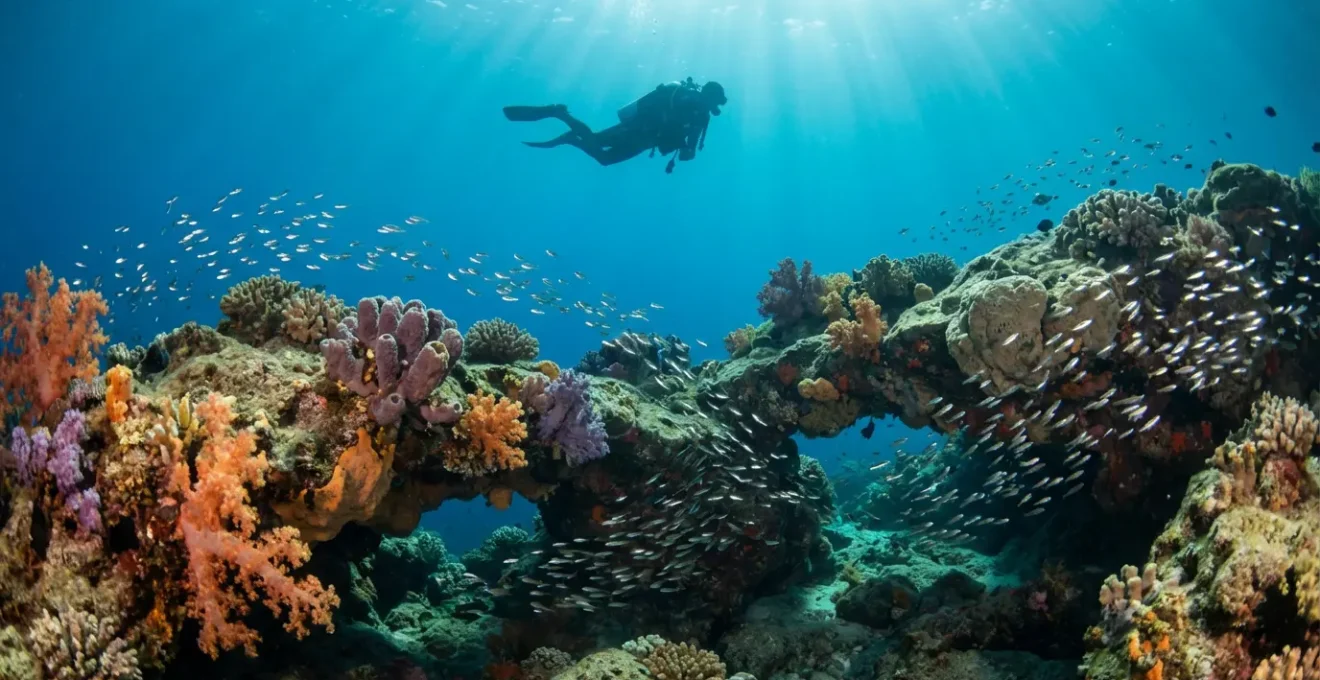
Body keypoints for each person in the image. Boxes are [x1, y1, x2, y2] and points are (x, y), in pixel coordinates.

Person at [503, 78, 727, 173]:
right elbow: (682, 140)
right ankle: (560, 114)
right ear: (708, 96)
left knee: (604, 158)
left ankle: (569, 134)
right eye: (715, 101)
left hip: (645, 138)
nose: (714, 107)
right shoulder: (693, 105)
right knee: (599, 145)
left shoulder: (700, 114)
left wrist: (687, 149)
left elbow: (689, 146)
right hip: (640, 131)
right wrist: (686, 147)